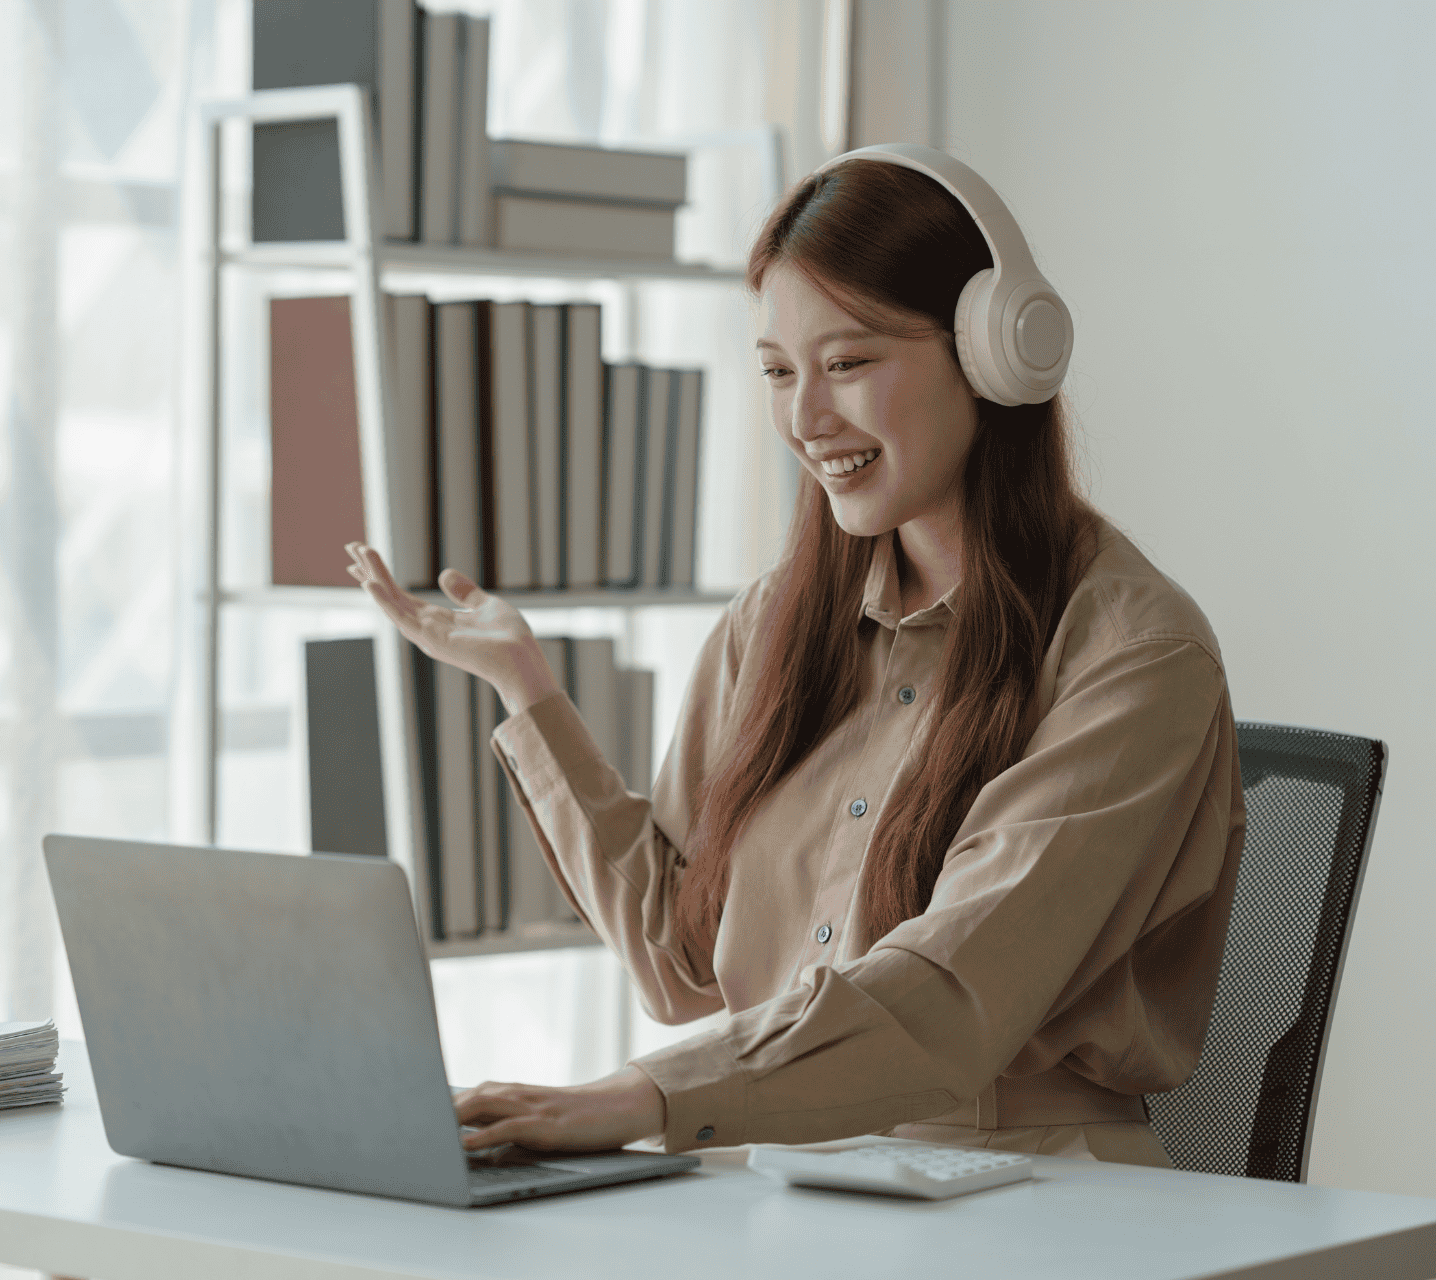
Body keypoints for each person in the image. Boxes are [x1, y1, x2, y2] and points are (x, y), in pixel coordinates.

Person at [344, 145, 1246, 1167]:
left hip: (1027, 1189)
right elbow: (683, 963)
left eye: (849, 362)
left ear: (995, 353)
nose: (807, 419)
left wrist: (641, 1092)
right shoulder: (774, 622)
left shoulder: (1135, 656)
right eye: (778, 371)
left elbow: (952, 999)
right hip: (778, 1171)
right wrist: (527, 688)